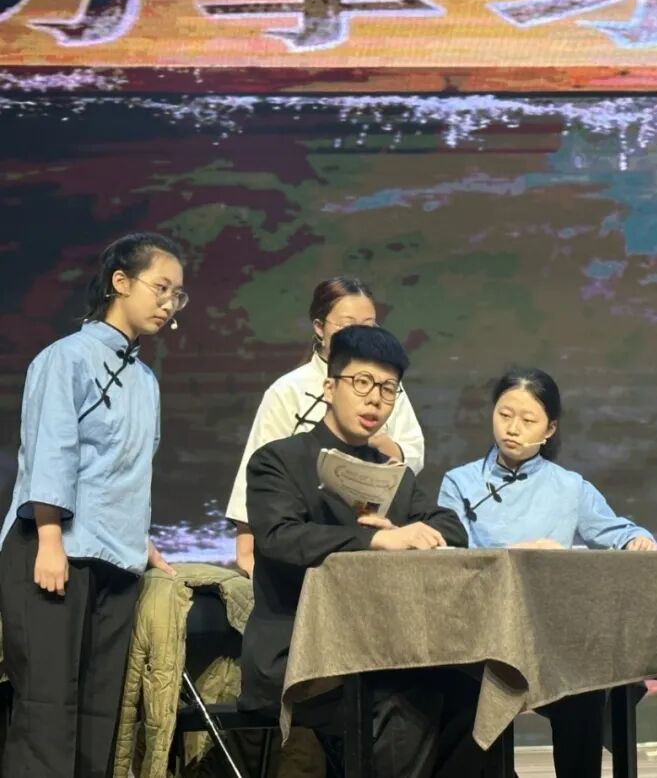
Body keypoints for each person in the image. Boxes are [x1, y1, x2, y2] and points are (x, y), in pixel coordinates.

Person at [239, 325, 471, 778]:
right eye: (362, 383)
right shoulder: (278, 460)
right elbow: (280, 537)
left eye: (388, 389)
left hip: (380, 651)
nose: (375, 400)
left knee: (473, 694)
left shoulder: (393, 474)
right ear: (330, 388)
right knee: (405, 706)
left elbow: (451, 528)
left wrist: (404, 530)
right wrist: (374, 541)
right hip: (300, 654)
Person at [0, 232, 186, 778]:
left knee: (100, 711)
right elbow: (51, 450)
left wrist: (140, 539)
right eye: (160, 288)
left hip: (114, 556)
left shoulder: (145, 379)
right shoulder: (65, 358)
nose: (169, 303)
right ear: (119, 282)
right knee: (48, 707)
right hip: (52, 548)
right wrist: (49, 539)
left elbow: (129, 467)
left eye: (177, 294)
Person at [438, 366, 656, 778]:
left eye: (527, 420)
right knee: (464, 693)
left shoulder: (569, 486)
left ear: (550, 428)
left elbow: (619, 531)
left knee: (585, 688)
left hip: (549, 638)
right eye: (504, 415)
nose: (512, 429)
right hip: (481, 637)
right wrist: (521, 551)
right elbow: (451, 560)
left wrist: (636, 540)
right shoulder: (459, 483)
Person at [226, 276, 425, 577]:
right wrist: (246, 546)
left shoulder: (388, 388)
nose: (374, 396)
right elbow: (259, 465)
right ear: (319, 327)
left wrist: (373, 448)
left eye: (369, 325)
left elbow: (413, 452)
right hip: (306, 532)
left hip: (371, 524)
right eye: (347, 325)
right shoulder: (288, 389)